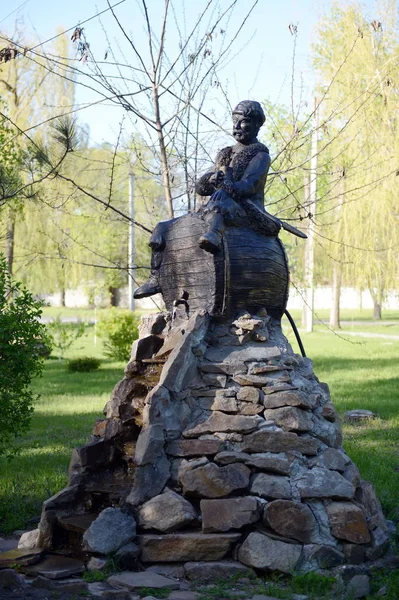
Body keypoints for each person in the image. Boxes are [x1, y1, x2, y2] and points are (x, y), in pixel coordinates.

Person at [134, 100, 280, 299]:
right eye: (235, 121)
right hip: (214, 207)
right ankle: (156, 277)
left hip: (246, 212)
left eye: (244, 122)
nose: (237, 127)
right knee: (162, 227)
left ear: (256, 125)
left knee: (219, 204)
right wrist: (212, 179)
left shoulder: (260, 156)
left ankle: (213, 236)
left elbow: (247, 188)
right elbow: (202, 187)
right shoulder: (226, 154)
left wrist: (226, 181)